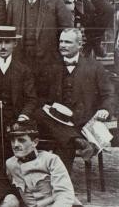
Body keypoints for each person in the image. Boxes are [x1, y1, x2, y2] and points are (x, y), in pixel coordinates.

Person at [40, 27, 114, 168]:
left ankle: (73, 142)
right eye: (61, 41)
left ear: (79, 45)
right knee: (39, 113)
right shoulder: (51, 66)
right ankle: (77, 141)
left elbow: (108, 94)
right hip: (56, 121)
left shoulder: (95, 67)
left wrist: (105, 109)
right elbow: (41, 96)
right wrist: (47, 106)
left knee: (63, 142)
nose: (62, 45)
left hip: (81, 122)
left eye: (68, 42)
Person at [6, 0, 74, 94]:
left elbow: (67, 32)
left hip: (48, 65)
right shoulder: (14, 3)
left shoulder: (55, 1)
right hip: (21, 63)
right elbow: (8, 35)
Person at [0, 26, 37, 154]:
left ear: (15, 44)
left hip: (16, 120)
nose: (3, 47)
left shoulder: (23, 70)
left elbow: (31, 99)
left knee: (19, 143)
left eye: (7, 42)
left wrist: (22, 118)